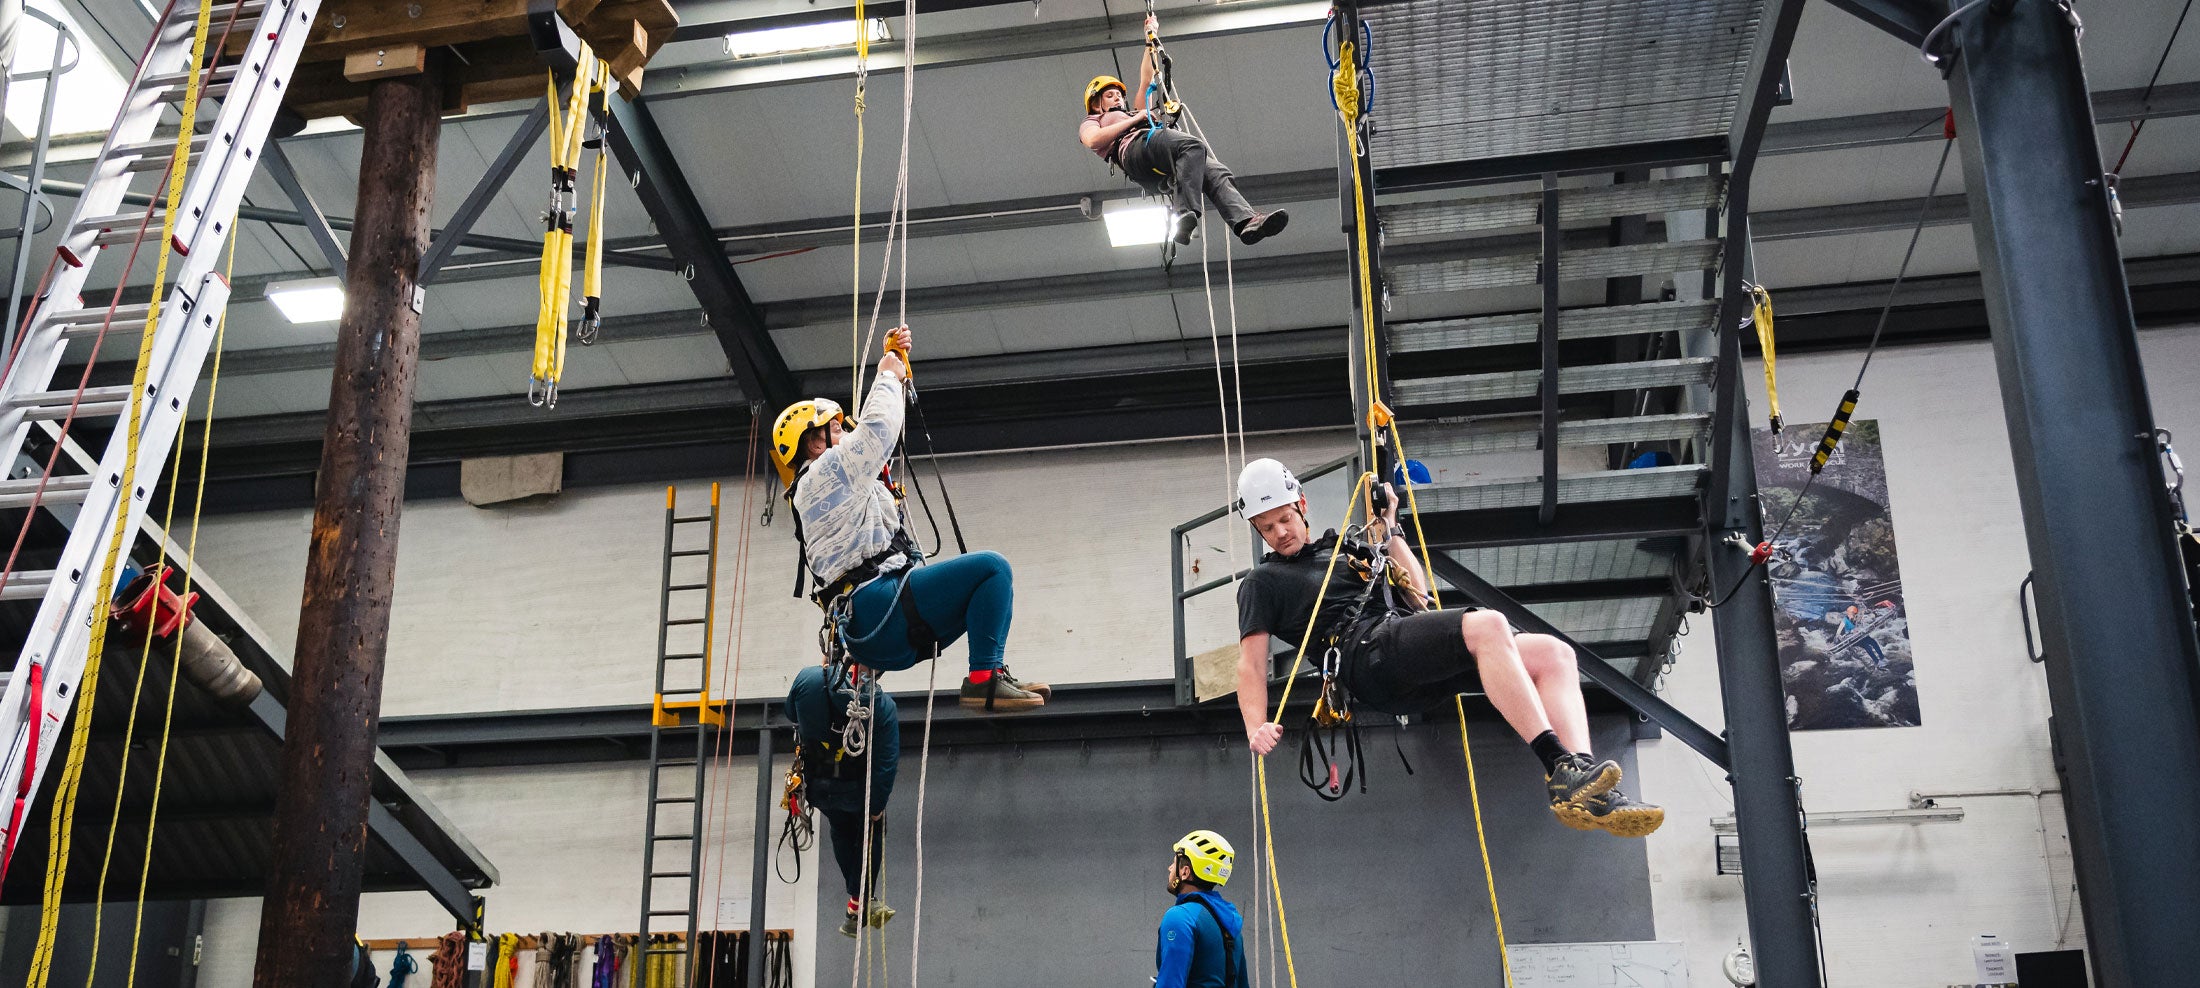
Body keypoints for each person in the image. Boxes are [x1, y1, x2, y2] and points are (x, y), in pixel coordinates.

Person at [1230, 458, 1664, 837]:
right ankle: (1559, 766)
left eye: (1284, 519)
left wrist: (1391, 526)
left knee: (1554, 654)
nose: (1279, 533)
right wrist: (1255, 726)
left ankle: (1583, 783)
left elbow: (1419, 597)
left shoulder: (1348, 550)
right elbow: (1250, 665)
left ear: (1301, 504)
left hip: (1400, 643)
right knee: (1489, 625)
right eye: (1266, 528)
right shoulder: (1263, 583)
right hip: (1364, 655)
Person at [770, 326, 1049, 712]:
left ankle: (992, 672)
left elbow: (872, 443)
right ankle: (984, 678)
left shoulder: (827, 487)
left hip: (880, 628)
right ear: (812, 442)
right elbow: (877, 433)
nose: (844, 431)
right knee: (992, 570)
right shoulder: (823, 475)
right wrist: (887, 374)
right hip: (878, 607)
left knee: (983, 590)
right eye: (835, 429)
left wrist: (893, 369)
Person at [1079, 16, 1288, 248]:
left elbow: (1146, 78)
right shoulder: (1095, 120)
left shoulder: (1132, 113)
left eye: (1118, 94)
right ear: (1097, 103)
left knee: (1215, 170)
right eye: (1110, 95)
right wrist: (1137, 118)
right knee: (1192, 146)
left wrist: (1150, 38)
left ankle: (1246, 221)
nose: (1117, 97)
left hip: (1158, 154)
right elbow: (1093, 140)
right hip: (1135, 152)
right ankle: (1182, 214)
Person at [787, 663, 900, 937]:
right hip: (853, 786)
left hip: (819, 784)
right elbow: (886, 763)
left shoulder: (809, 679)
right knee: (870, 831)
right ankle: (859, 902)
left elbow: (790, 712)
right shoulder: (881, 708)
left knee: (839, 829)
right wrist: (876, 807)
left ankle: (856, 905)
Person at [1155, 830, 1247, 988]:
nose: (1170, 868)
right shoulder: (1230, 923)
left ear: (1185, 872)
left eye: (1175, 862)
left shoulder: (1180, 917)